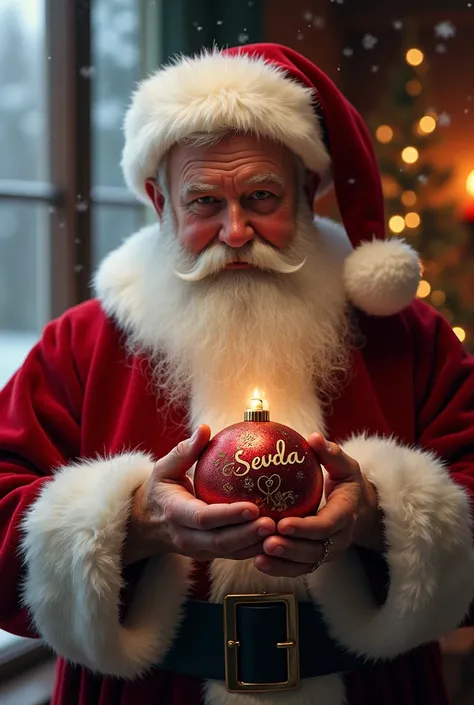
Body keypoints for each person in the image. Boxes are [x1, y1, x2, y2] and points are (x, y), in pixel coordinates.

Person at [0, 42, 473, 705]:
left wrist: (378, 515)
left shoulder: (407, 335)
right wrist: (133, 523)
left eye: (261, 196)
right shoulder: (84, 341)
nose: (235, 230)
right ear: (158, 199)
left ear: (308, 192)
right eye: (203, 202)